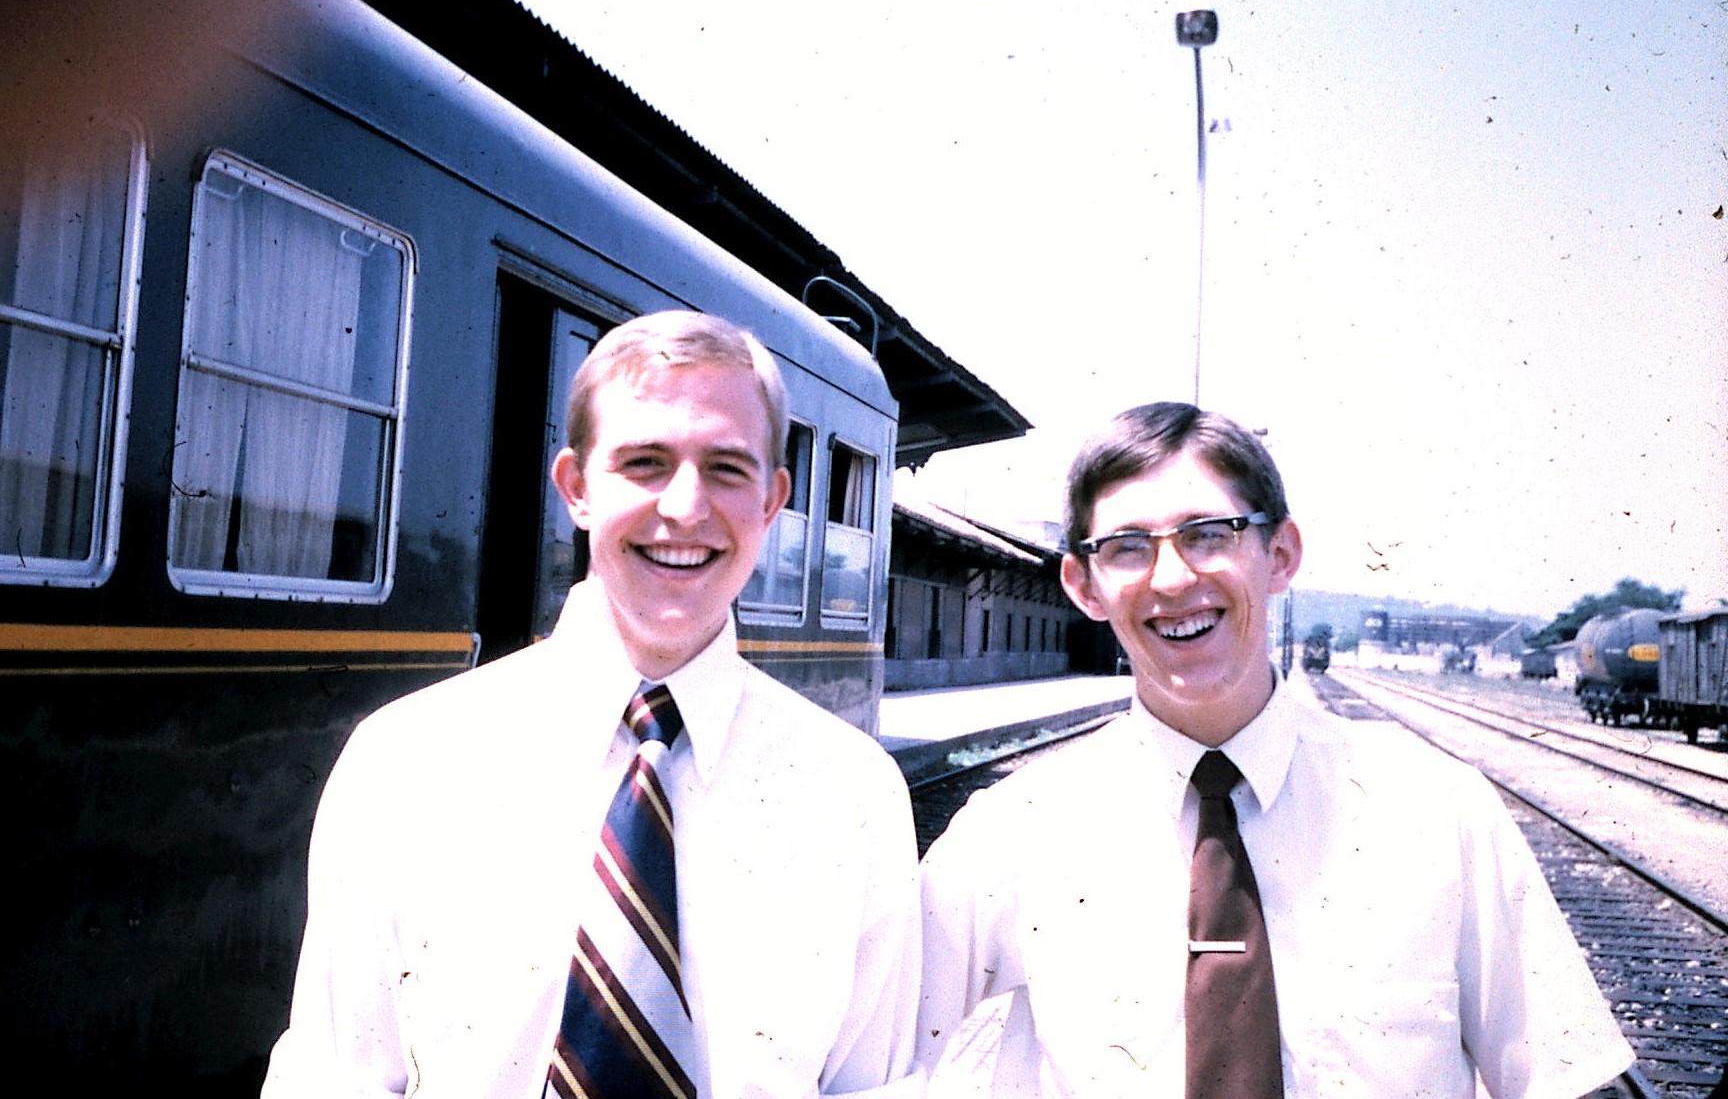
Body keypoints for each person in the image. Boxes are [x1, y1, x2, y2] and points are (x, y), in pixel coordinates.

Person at [264, 311, 921, 1098]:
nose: (686, 507)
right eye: (645, 462)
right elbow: (333, 1080)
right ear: (577, 487)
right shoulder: (403, 761)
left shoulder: (856, 796)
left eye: (726, 468)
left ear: (772, 500)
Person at [915, 401, 1634, 1098]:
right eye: (1128, 547)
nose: (1173, 578)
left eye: (1208, 534)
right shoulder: (1011, 830)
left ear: (1281, 555)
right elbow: (872, 1058)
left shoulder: (1441, 812)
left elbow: (1560, 1080)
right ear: (1084, 585)